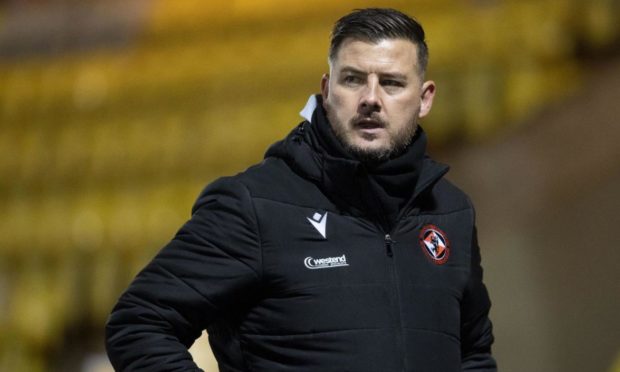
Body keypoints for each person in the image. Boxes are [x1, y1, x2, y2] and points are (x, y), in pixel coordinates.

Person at [105, 7, 497, 371]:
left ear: (425, 99)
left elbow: (474, 352)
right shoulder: (253, 205)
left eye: (392, 83)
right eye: (353, 79)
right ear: (327, 90)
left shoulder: (451, 211)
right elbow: (139, 323)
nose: (371, 99)